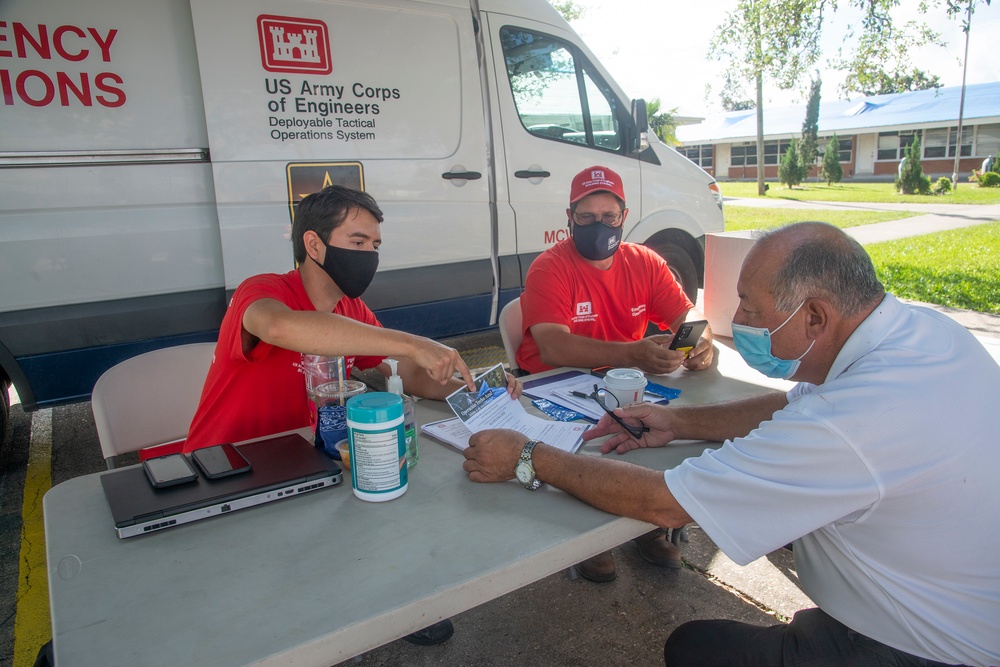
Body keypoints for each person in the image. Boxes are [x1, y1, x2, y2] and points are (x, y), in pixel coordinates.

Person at [463, 222, 1000, 666]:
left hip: (917, 648)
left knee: (695, 649)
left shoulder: (852, 421)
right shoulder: (924, 331)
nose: (736, 322)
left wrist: (529, 456)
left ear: (814, 315)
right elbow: (799, 405)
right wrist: (683, 422)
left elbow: (667, 502)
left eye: (750, 308)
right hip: (967, 608)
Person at [186, 185, 521, 647]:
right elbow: (280, 326)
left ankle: (390, 605)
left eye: (376, 246)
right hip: (230, 471)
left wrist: (473, 384)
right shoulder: (262, 291)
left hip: (311, 466)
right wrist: (413, 342)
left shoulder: (351, 310)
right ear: (313, 244)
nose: (369, 255)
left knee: (398, 484)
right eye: (358, 242)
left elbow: (401, 371)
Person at [515, 165, 714, 582]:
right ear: (569, 217)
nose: (598, 226)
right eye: (586, 217)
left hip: (625, 381)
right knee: (587, 447)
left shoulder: (646, 262)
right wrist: (632, 355)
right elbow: (552, 346)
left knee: (660, 435)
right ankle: (592, 537)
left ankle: (647, 524)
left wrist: (700, 342)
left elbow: (688, 314)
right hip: (552, 386)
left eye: (609, 216)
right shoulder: (550, 268)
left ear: (624, 216)